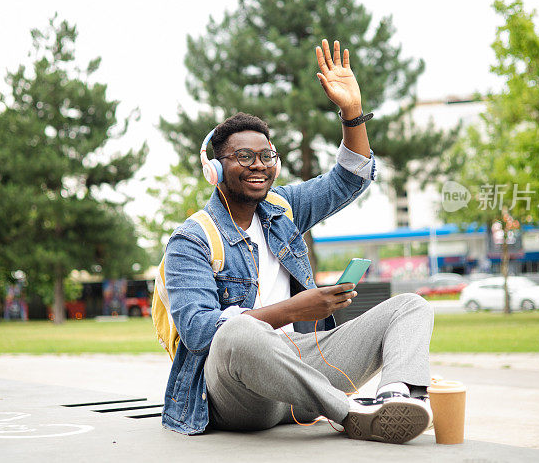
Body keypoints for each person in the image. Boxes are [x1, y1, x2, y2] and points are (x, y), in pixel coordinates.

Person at [162, 39, 434, 443]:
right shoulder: (192, 239)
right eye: (244, 157)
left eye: (267, 156)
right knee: (236, 331)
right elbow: (201, 332)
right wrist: (293, 309)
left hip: (301, 372)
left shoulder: (282, 207)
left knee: (410, 307)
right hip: (240, 393)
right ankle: (350, 414)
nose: (259, 166)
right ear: (215, 170)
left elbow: (351, 177)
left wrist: (351, 112)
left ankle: (397, 397)